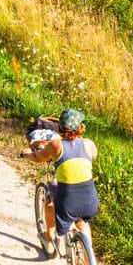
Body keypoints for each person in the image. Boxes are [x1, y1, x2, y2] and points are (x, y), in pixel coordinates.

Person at [45, 108, 99, 251]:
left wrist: (28, 154)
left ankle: (49, 236)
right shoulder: (89, 143)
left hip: (68, 203)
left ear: (59, 128)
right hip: (90, 200)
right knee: (84, 223)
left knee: (50, 200)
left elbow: (39, 157)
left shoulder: (55, 145)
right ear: (80, 127)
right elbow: (94, 155)